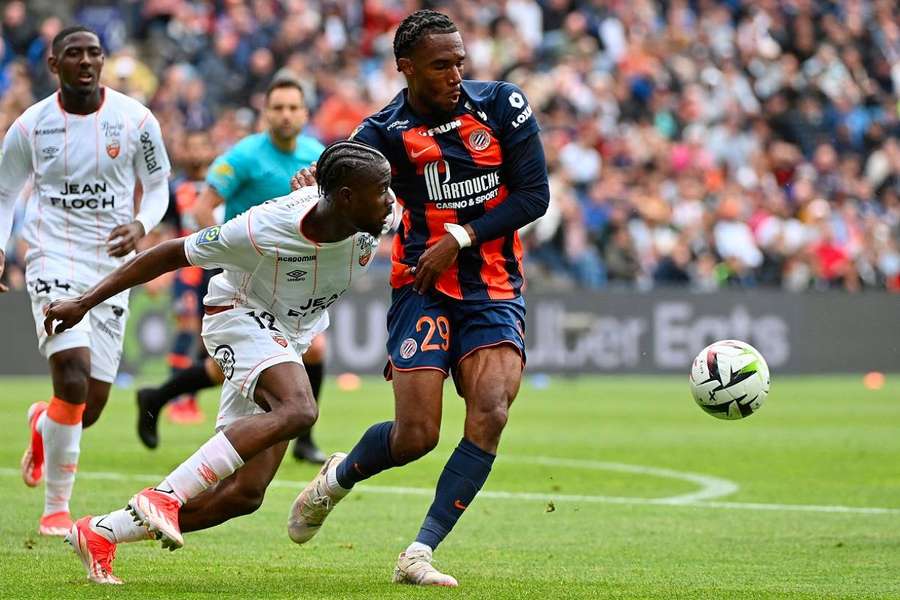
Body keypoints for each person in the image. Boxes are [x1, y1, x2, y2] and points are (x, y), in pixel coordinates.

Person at [44, 140, 396, 585]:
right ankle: (166, 496)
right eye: (381, 190)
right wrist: (85, 301)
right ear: (345, 197)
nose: (390, 199)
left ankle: (100, 532)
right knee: (300, 409)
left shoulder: (380, 213)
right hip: (238, 315)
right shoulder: (263, 227)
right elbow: (172, 253)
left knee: (243, 495)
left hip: (290, 335)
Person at [286, 9, 549, 587]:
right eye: (440, 65)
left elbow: (534, 196)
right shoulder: (383, 131)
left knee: (492, 411)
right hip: (422, 287)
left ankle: (420, 551)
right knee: (416, 437)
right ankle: (338, 476)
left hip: (494, 287)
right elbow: (340, 174)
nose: (455, 72)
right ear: (406, 68)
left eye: (459, 60)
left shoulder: (503, 106)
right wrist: (314, 182)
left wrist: (461, 235)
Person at [0, 26, 171, 537]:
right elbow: (6, 193)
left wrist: (142, 223)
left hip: (113, 266)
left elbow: (160, 185)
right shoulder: (31, 127)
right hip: (53, 257)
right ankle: (56, 509)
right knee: (71, 375)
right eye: (73, 53)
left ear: (103, 61)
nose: (85, 61)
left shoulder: (136, 120)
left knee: (87, 408)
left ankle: (42, 423)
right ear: (54, 65)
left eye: (94, 53)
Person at [135, 78, 330, 463]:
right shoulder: (243, 156)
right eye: (278, 108)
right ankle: (300, 437)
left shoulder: (318, 155)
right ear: (266, 113)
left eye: (294, 108)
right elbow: (204, 208)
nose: (286, 115)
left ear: (305, 113)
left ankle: (157, 396)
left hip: (291, 277)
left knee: (302, 353)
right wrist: (226, 256)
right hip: (243, 277)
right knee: (239, 365)